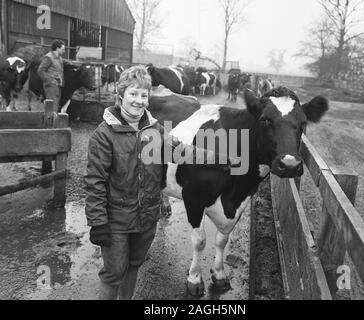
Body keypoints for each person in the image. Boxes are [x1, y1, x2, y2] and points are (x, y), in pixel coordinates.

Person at [84, 65, 238, 300]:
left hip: (146, 217)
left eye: (143, 95)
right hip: (116, 218)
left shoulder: (154, 130)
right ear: (121, 95)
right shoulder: (103, 135)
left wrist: (219, 159)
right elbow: (95, 182)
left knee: (134, 265)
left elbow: (182, 150)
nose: (138, 101)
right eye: (133, 94)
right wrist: (97, 222)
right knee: (113, 273)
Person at [37, 40, 69, 110]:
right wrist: (49, 81)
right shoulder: (48, 57)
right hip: (51, 87)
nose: (64, 51)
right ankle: (51, 120)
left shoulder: (59, 58)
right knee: (52, 108)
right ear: (57, 48)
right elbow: (40, 70)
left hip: (58, 86)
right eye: (63, 49)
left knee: (56, 106)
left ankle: (53, 120)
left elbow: (65, 62)